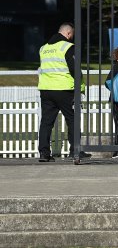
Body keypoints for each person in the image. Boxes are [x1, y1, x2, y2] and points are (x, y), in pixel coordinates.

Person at [37, 22, 90, 161]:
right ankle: (75, 151)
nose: (71, 37)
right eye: (71, 35)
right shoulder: (67, 47)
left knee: (46, 122)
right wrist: (81, 87)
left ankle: (44, 153)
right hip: (64, 89)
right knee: (72, 120)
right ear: (68, 33)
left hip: (46, 89)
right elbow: (75, 69)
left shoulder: (44, 48)